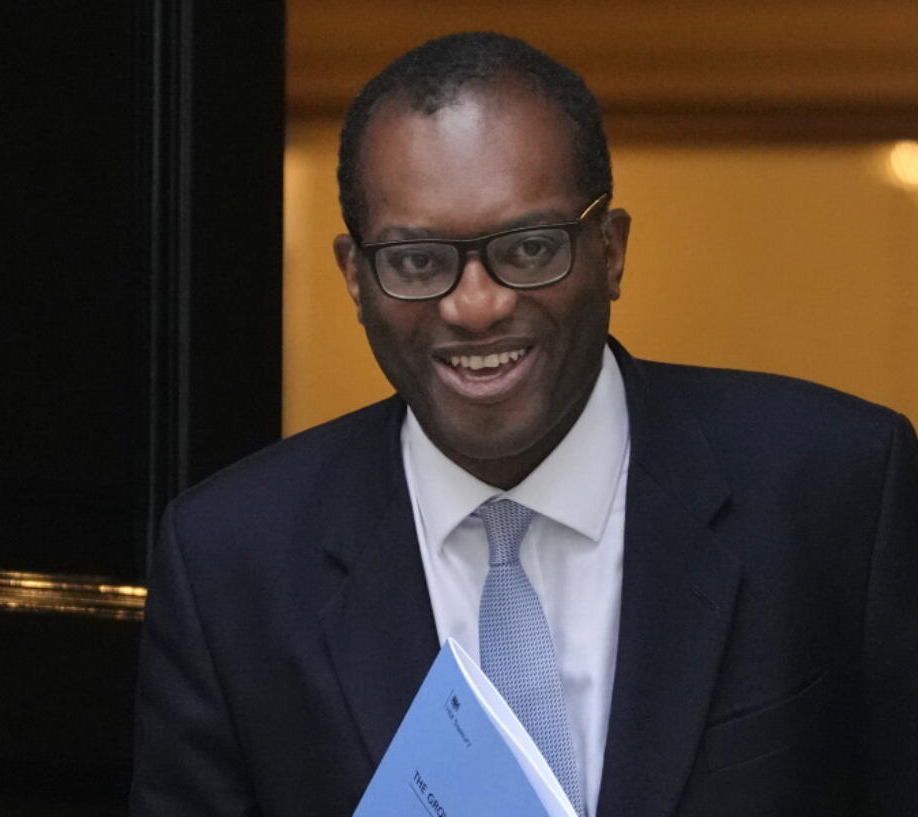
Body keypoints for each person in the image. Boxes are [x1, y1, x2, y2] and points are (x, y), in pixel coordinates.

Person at [130, 32, 917, 817]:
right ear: (355, 278)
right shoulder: (233, 563)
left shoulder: (837, 491)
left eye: (530, 248)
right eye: (416, 261)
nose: (476, 305)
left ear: (610, 250)